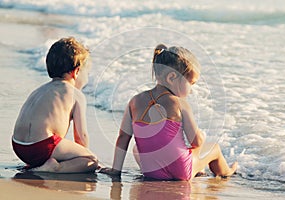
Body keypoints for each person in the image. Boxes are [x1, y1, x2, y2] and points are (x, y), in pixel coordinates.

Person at [101, 44, 237, 180]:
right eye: (191, 83)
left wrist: (115, 171)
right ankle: (226, 171)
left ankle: (197, 169)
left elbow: (123, 138)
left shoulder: (134, 101)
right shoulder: (180, 103)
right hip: (182, 171)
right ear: (171, 78)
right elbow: (196, 142)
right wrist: (200, 135)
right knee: (214, 148)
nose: (191, 90)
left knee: (137, 148)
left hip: (152, 172)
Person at [12, 37, 99, 173]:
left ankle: (40, 165)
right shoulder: (75, 94)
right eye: (86, 73)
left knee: (59, 148)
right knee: (91, 161)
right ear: (76, 72)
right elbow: (81, 137)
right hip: (41, 147)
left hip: (18, 146)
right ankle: (53, 168)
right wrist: (83, 155)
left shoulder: (39, 90)